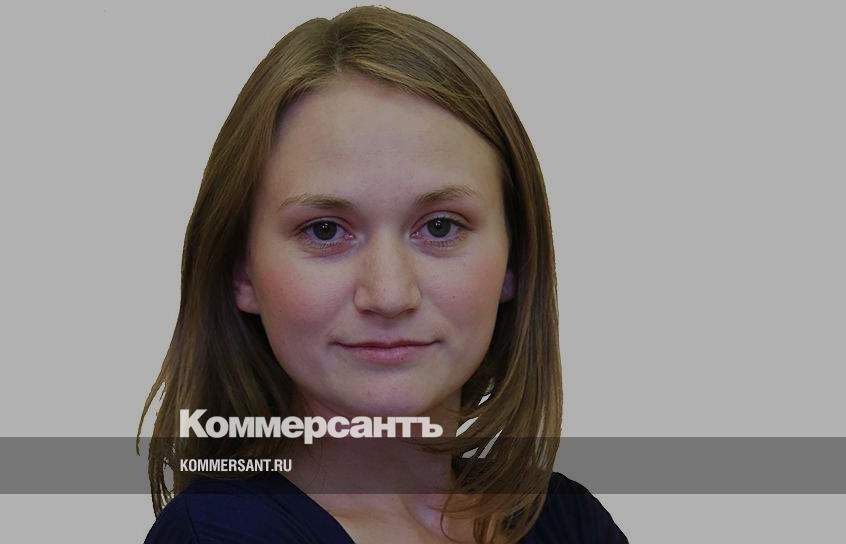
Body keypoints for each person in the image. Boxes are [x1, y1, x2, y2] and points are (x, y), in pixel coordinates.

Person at [138, 6, 628, 543]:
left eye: (440, 226)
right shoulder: (218, 535)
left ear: (516, 260)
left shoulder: (568, 522)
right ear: (242, 273)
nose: (390, 294)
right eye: (325, 230)